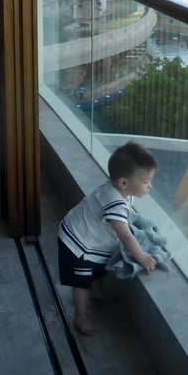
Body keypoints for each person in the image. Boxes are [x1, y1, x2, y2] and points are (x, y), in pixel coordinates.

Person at [58, 141, 159, 336]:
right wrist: (143, 258)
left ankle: (95, 292)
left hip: (84, 236)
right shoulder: (115, 203)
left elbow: (125, 212)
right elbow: (126, 237)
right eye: (146, 182)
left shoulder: (118, 190)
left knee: (96, 269)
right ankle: (80, 316)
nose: (150, 186)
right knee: (81, 282)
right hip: (76, 244)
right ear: (124, 182)